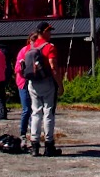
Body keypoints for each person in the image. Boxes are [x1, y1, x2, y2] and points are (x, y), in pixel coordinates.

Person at [26, 21, 64, 157]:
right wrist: (60, 85)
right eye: (49, 31)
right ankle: (49, 146)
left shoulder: (30, 47)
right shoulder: (49, 47)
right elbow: (53, 67)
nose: (50, 33)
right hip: (47, 83)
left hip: (32, 83)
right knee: (48, 113)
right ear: (43, 32)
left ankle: (34, 146)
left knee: (35, 113)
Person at [15, 31, 39, 142]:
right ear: (29, 41)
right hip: (24, 83)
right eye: (33, 40)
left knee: (35, 109)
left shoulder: (39, 51)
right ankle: (23, 133)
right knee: (26, 109)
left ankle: (34, 132)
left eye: (36, 40)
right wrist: (22, 65)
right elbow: (17, 69)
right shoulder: (24, 51)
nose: (34, 43)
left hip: (35, 82)